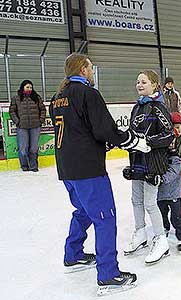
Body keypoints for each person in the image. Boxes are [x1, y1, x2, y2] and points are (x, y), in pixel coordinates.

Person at [49, 53, 147, 295]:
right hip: (87, 169)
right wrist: (131, 140)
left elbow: (79, 131)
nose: (92, 72)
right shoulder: (88, 93)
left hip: (67, 168)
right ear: (83, 69)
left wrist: (102, 143)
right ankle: (108, 274)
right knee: (105, 218)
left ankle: (73, 255)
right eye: (90, 68)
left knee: (83, 211)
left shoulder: (57, 98)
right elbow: (105, 129)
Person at [122, 70, 174, 265]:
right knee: (136, 200)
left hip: (152, 161)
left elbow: (168, 134)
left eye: (144, 82)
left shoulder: (158, 107)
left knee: (150, 203)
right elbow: (132, 132)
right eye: (137, 82)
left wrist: (147, 142)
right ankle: (140, 232)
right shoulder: (137, 107)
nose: (139, 85)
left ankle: (161, 239)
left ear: (154, 85)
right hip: (136, 160)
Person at [9, 80, 46, 172]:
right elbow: (12, 111)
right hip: (22, 127)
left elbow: (43, 110)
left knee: (33, 148)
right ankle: (24, 166)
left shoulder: (36, 98)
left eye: (31, 87)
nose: (29, 89)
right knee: (23, 149)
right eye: (27, 87)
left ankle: (33, 166)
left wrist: (40, 120)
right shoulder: (16, 98)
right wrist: (17, 122)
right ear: (23, 87)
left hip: (35, 127)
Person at [157, 143, 181, 252]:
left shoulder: (176, 159)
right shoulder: (157, 157)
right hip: (160, 195)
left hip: (173, 194)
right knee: (161, 215)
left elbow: (173, 172)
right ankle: (164, 229)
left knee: (176, 217)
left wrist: (160, 179)